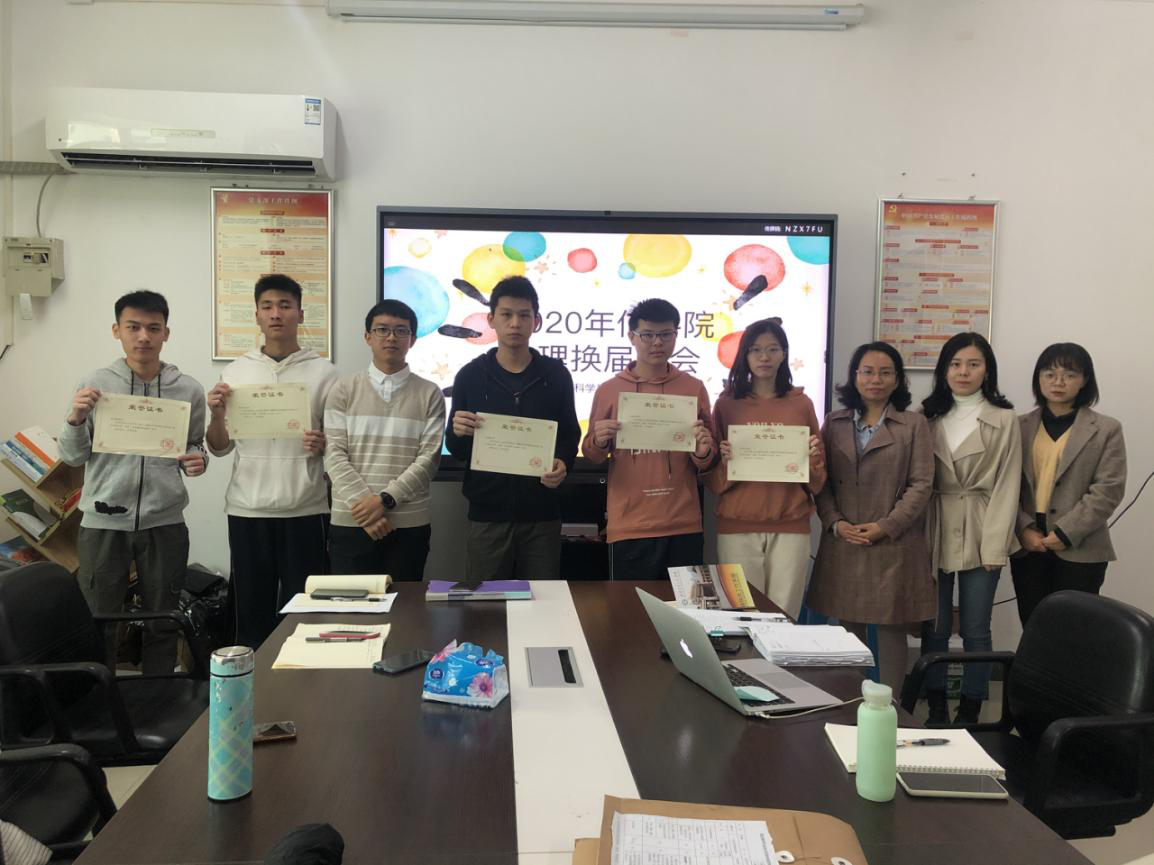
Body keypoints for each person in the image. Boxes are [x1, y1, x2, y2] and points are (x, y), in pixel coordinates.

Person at [58, 290, 207, 675]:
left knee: (164, 619)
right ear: (117, 330)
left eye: (153, 328)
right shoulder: (95, 384)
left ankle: (160, 693)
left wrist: (198, 459)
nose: (143, 336)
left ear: (166, 333)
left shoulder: (188, 389)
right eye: (133, 327)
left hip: (165, 521)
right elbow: (73, 457)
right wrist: (75, 419)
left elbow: (194, 444)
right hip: (104, 522)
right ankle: (99, 696)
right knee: (99, 619)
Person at [205, 274, 339, 648]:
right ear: (257, 315)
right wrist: (216, 415)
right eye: (267, 306)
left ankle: (306, 680)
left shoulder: (325, 373)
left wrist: (324, 443)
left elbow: (340, 445)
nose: (276, 313)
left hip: (306, 507)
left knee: (306, 612)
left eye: (284, 305)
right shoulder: (236, 371)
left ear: (301, 313)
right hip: (248, 508)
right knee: (251, 610)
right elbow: (219, 447)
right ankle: (254, 681)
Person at [807, 342, 935, 696]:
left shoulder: (914, 424)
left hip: (893, 542)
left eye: (885, 372)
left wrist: (886, 526)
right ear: (854, 376)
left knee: (891, 628)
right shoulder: (833, 423)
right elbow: (820, 481)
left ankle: (891, 708)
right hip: (844, 539)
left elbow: (922, 484)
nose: (875, 379)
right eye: (867, 371)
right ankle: (852, 704)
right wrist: (835, 522)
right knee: (847, 630)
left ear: (897, 379)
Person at [446, 276, 579, 579]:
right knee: (485, 602)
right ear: (491, 319)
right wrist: (458, 432)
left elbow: (569, 435)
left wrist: (563, 463)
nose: (515, 323)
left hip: (542, 515)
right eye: (506, 314)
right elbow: (457, 449)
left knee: (543, 599)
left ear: (536, 321)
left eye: (524, 315)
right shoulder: (470, 376)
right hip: (487, 516)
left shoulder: (556, 375)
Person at [919, 332, 1021, 726]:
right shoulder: (926, 416)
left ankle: (972, 707)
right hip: (935, 522)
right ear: (944, 370)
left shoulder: (1004, 418)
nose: (964, 372)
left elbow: (1008, 484)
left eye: (973, 364)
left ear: (987, 371)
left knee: (977, 627)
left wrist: (995, 546)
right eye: (955, 364)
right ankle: (936, 705)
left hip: (982, 522)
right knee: (936, 624)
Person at [581, 298, 716, 580]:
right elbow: (592, 454)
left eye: (666, 334)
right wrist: (600, 440)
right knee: (630, 606)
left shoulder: (693, 388)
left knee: (685, 606)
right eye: (648, 335)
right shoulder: (609, 390)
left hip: (683, 523)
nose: (657, 342)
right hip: (630, 524)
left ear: (676, 335)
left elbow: (708, 459)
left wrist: (703, 451)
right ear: (632, 336)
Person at [706, 318, 825, 618]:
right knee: (741, 616)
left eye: (773, 349)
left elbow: (818, 480)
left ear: (784, 354)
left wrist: (811, 459)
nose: (764, 357)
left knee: (785, 616)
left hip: (791, 525)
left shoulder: (801, 404)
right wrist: (727, 462)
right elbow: (712, 480)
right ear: (744, 355)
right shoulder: (727, 404)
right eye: (756, 350)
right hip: (737, 525)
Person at [324, 300, 446, 580]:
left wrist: (385, 500)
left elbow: (428, 460)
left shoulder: (430, 393)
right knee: (350, 605)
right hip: (352, 521)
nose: (391, 337)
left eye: (401, 331)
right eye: (382, 329)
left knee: (405, 604)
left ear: (412, 340)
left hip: (408, 523)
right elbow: (334, 454)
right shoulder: (343, 389)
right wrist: (367, 508)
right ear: (367, 336)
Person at [1011, 343, 1126, 625]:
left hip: (1082, 545)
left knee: (1076, 629)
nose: (1058, 382)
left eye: (1069, 375)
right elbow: (1005, 485)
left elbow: (1108, 489)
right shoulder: (1017, 426)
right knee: (1035, 625)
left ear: (1085, 380)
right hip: (1029, 542)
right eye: (1049, 374)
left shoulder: (1106, 429)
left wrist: (1066, 532)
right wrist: (1023, 528)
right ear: (1038, 378)